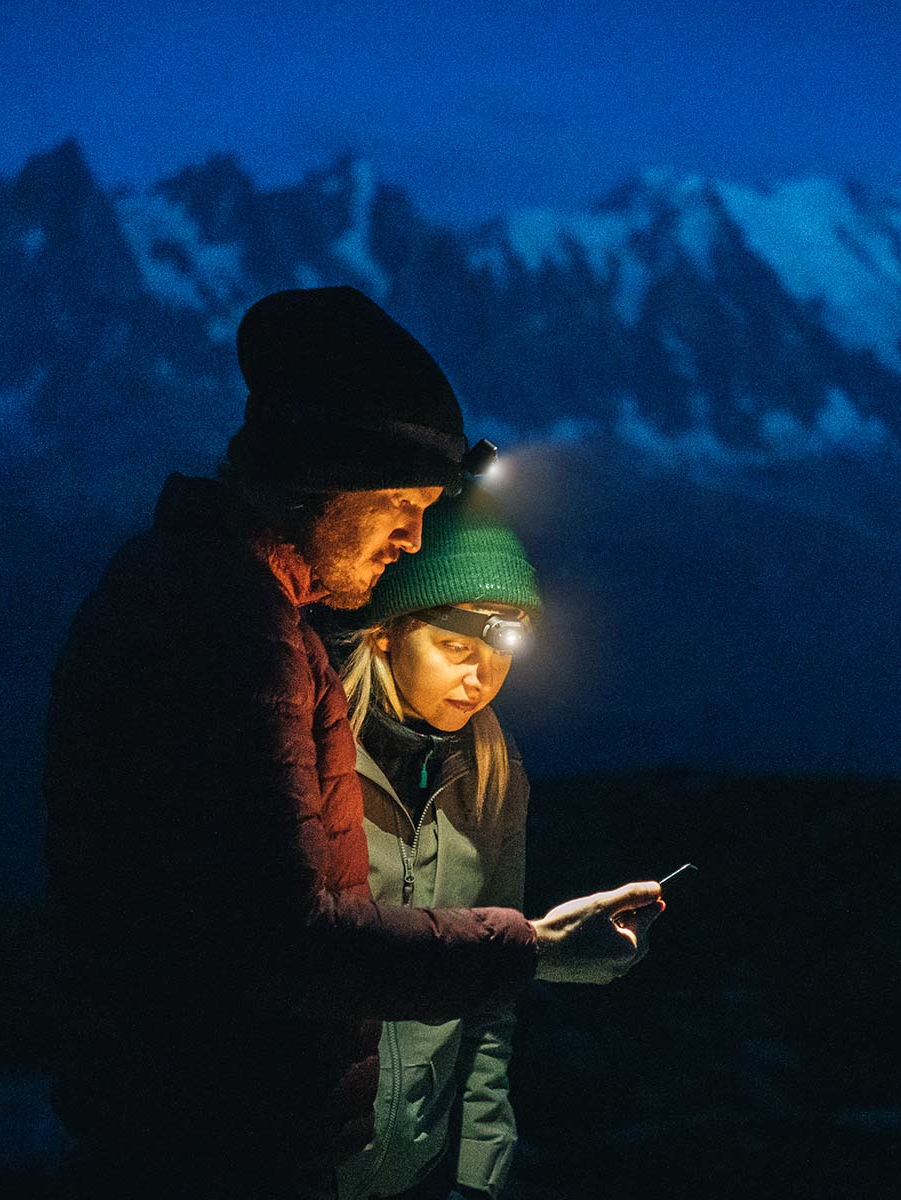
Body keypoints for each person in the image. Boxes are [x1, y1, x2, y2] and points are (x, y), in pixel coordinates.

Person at [43, 285, 663, 1200]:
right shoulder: (226, 630)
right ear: (325, 481)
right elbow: (282, 940)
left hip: (205, 1133)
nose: (414, 539)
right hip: (213, 1154)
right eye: (403, 503)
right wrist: (531, 945)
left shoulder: (219, 601)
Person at [329, 485, 541, 1200]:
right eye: (454, 646)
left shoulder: (494, 778)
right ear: (385, 629)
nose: (481, 677)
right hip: (307, 1164)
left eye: (501, 652)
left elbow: (491, 1000)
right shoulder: (314, 763)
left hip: (419, 1172)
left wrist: (480, 1174)